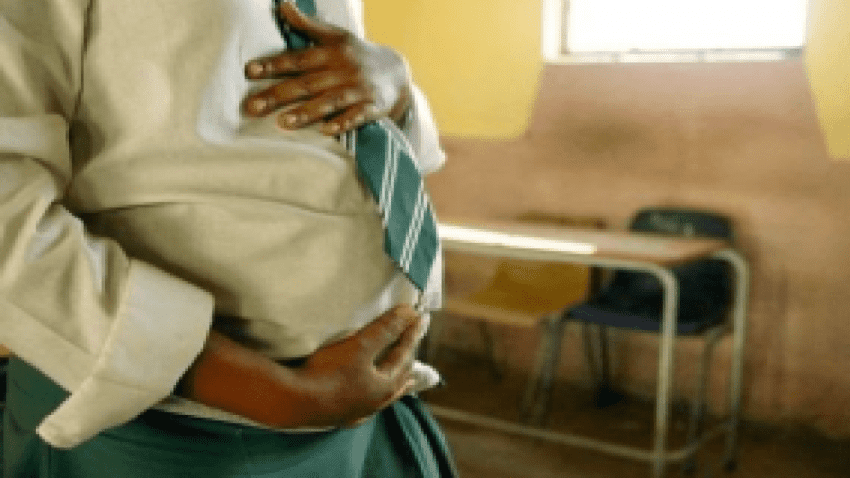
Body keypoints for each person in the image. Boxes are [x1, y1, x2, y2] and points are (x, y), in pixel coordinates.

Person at [0, 0, 456, 476]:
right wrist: (264, 390)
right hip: (167, 433)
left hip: (366, 415)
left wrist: (397, 92)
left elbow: (311, 131)